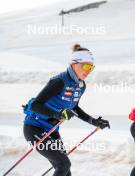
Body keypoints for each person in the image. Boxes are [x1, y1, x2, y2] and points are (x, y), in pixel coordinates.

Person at [23, 44, 110, 176]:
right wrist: (57, 114)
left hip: (52, 130)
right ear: (74, 64)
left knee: (65, 171)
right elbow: (35, 105)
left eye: (91, 67)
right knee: (64, 164)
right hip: (34, 128)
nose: (89, 70)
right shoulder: (60, 81)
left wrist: (94, 122)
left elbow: (74, 107)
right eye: (86, 66)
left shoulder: (81, 85)